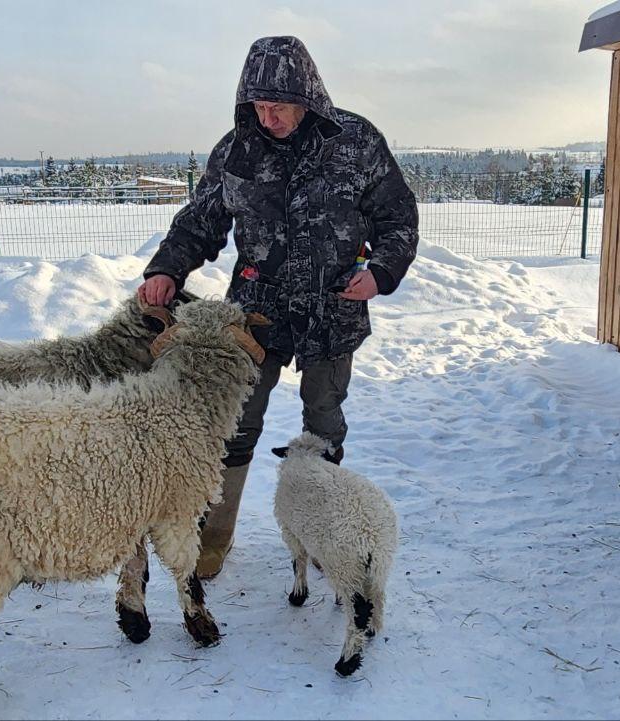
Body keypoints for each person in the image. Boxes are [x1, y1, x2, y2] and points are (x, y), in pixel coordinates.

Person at [138, 35, 418, 578]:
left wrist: (380, 273)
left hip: (331, 309)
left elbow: (397, 216)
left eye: (280, 106)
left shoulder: (355, 142)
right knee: (235, 422)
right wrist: (166, 269)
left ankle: (321, 533)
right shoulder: (236, 149)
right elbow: (201, 221)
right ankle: (213, 538)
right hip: (255, 311)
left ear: (307, 97)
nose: (270, 119)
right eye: (259, 107)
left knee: (323, 422)